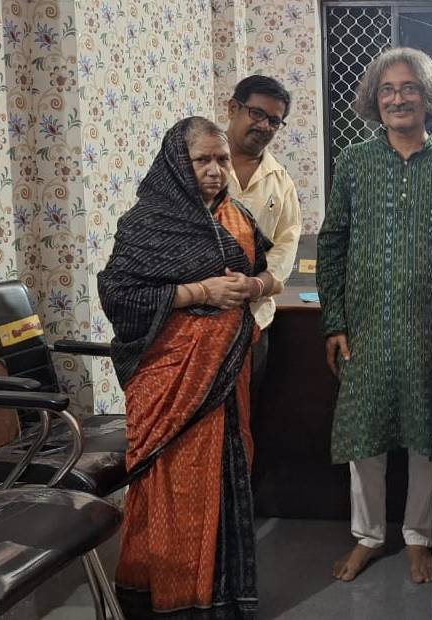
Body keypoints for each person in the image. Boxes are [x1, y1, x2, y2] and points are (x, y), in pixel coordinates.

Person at [317, 47, 432, 585]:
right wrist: (334, 322)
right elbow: (332, 244)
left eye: (409, 87)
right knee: (364, 438)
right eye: (387, 90)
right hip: (366, 330)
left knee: (427, 435)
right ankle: (368, 536)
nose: (397, 98)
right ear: (375, 99)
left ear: (428, 96)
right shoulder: (354, 162)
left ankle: (418, 536)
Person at [99, 116, 278, 618]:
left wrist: (254, 286)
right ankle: (170, 600)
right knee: (175, 486)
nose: (216, 170)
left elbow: (267, 272)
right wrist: (202, 292)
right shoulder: (148, 222)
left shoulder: (236, 216)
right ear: (178, 163)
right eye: (203, 160)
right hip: (171, 380)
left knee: (226, 479)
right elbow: (120, 295)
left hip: (227, 376)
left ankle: (222, 598)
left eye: (221, 159)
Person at [224, 75, 302, 399]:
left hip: (254, 320)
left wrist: (257, 285)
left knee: (245, 412)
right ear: (233, 108)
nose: (265, 126)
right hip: (195, 320)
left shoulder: (280, 182)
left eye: (274, 121)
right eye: (257, 113)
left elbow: (286, 244)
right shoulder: (197, 165)